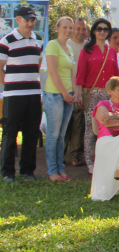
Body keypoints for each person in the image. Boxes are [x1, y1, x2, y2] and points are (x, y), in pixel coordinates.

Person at [0, 6, 44, 183]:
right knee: (10, 133)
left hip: (34, 93)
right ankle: (7, 172)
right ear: (17, 19)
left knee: (31, 132)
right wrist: (10, 85)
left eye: (33, 20)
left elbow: (38, 65)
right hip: (13, 95)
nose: (30, 23)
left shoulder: (38, 40)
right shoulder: (6, 41)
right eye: (27, 19)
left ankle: (27, 171)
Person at [75, 18, 119, 175]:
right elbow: (80, 74)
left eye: (106, 29)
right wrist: (79, 94)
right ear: (93, 31)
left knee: (108, 126)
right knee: (90, 128)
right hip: (91, 93)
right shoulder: (86, 51)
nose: (102, 32)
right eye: (99, 29)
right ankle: (90, 162)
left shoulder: (112, 51)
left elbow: (115, 76)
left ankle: (106, 159)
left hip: (107, 95)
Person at [43, 17, 76, 181]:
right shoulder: (52, 45)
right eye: (65, 27)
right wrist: (64, 93)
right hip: (55, 95)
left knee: (62, 135)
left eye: (71, 27)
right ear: (57, 28)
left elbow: (71, 72)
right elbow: (53, 72)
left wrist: (74, 91)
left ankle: (61, 170)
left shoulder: (69, 48)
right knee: (53, 135)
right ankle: (52, 171)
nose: (68, 30)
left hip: (68, 95)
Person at [64, 17, 89, 167]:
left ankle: (76, 156)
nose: (80, 32)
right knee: (65, 124)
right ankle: (60, 154)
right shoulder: (65, 45)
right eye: (78, 28)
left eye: (84, 29)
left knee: (79, 124)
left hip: (82, 90)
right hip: (66, 89)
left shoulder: (88, 47)